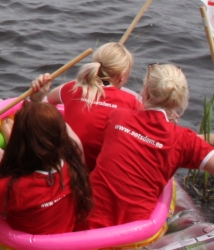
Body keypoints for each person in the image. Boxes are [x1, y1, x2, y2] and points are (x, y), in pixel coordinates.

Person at [88, 64, 214, 229]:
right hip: (133, 231)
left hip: (89, 219)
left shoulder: (118, 116)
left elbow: (145, 138)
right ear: (180, 100)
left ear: (145, 91)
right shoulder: (183, 140)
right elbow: (164, 141)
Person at [0, 101, 93, 235]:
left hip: (23, 243)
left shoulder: (16, 188)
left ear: (20, 142)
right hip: (59, 236)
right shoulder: (71, 163)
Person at [28, 43, 139, 170]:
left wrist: (37, 98)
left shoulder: (72, 88)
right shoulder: (132, 102)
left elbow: (48, 100)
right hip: (99, 174)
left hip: (65, 168)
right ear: (121, 76)